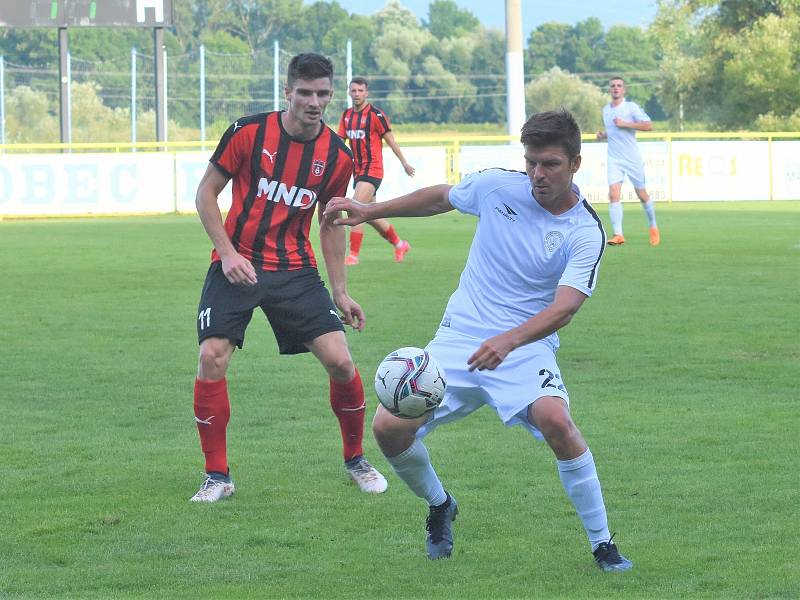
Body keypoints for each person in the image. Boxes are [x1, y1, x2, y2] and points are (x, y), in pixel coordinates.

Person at [324, 109, 633, 571]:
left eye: (549, 164)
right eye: (531, 162)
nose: (537, 174)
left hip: (525, 345)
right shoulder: (497, 187)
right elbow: (440, 199)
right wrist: (371, 210)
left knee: (558, 423)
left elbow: (564, 308)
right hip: (459, 336)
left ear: (575, 164)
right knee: (388, 429)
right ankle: (440, 505)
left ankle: (603, 543)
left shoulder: (585, 230)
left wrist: (508, 342)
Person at [189, 52, 387, 503]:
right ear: (287, 92)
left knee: (340, 360)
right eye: (304, 93)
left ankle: (356, 458)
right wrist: (226, 253)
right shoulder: (249, 132)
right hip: (236, 264)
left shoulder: (337, 155)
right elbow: (206, 193)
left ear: (331, 94)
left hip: (295, 269)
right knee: (212, 356)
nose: (313, 102)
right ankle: (217, 475)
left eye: (322, 93)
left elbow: (331, 223)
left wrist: (340, 291)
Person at [337, 77, 415, 265]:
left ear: (366, 93)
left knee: (355, 207)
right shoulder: (347, 116)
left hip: (373, 170)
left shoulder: (375, 115)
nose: (357, 94)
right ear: (349, 92)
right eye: (353, 90)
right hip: (358, 172)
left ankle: (353, 256)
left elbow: (391, 140)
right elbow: (340, 143)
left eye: (360, 91)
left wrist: (404, 162)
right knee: (371, 215)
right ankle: (400, 244)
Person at [596, 77, 660, 246]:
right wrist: (603, 135)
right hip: (614, 158)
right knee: (613, 194)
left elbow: (648, 125)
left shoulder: (630, 107)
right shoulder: (606, 110)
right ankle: (618, 234)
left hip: (632, 159)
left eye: (619, 86)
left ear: (624, 90)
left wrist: (626, 123)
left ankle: (653, 226)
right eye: (613, 86)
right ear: (609, 90)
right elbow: (613, 131)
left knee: (642, 195)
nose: (616, 88)